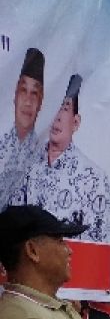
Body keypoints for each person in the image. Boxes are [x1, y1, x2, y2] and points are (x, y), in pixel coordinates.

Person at [14, 75, 110, 244]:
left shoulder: (93, 178)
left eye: (64, 108)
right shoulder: (25, 166)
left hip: (70, 265)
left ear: (75, 122)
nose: (57, 117)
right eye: (53, 108)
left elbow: (99, 243)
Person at [0, 49, 44, 208]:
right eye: (23, 90)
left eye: (34, 93)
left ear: (41, 102)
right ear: (15, 96)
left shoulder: (44, 155)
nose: (28, 101)